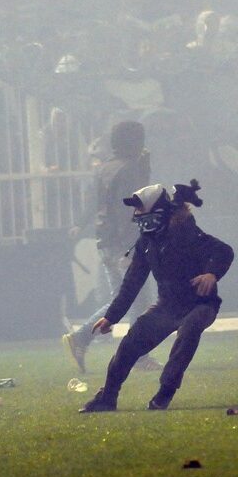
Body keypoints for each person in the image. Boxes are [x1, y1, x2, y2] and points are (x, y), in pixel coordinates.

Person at [80, 180, 234, 412]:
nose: (136, 214)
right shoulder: (146, 244)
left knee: (189, 330)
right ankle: (107, 397)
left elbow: (223, 250)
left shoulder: (186, 232)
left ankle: (165, 392)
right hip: (167, 307)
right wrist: (112, 317)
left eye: (140, 208)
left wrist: (212, 273)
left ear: (159, 211)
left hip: (201, 305)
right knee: (131, 343)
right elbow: (131, 283)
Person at [62, 121, 161, 373]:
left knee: (127, 299)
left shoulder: (105, 168)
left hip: (106, 241)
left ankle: (89, 340)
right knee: (135, 301)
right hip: (124, 245)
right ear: (134, 142)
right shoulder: (128, 170)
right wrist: (129, 250)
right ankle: (91, 340)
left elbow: (97, 202)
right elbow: (129, 210)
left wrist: (79, 223)